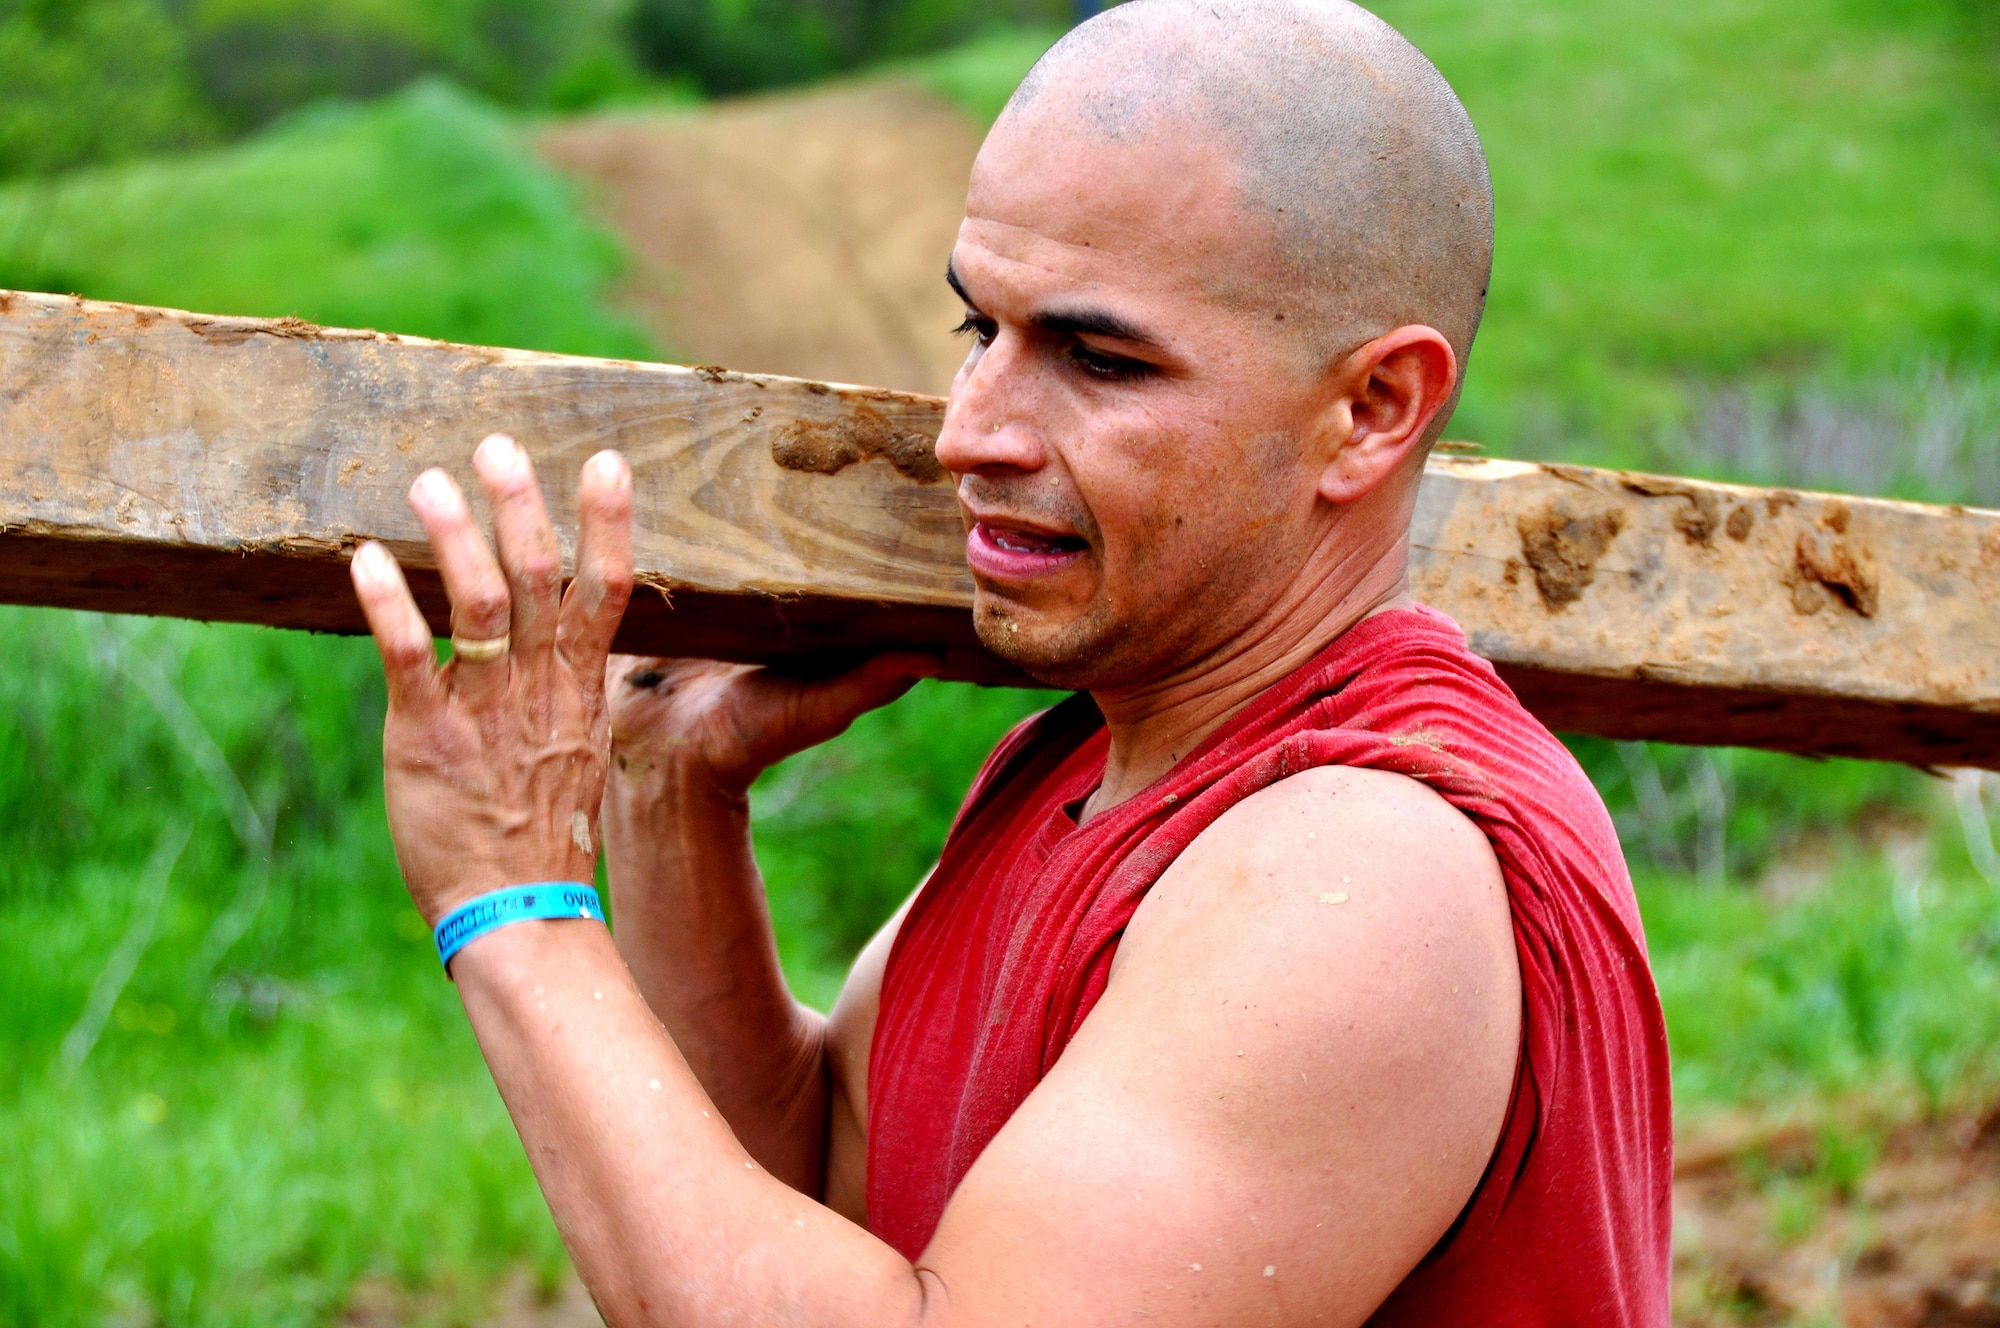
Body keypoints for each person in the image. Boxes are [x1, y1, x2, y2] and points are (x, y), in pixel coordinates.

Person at [346, 1, 1673, 1323]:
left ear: (1370, 410)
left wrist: (516, 904)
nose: (969, 434)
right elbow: (814, 1198)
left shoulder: (1367, 865)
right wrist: (667, 791)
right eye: (981, 331)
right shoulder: (1090, 764)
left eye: (1097, 359)